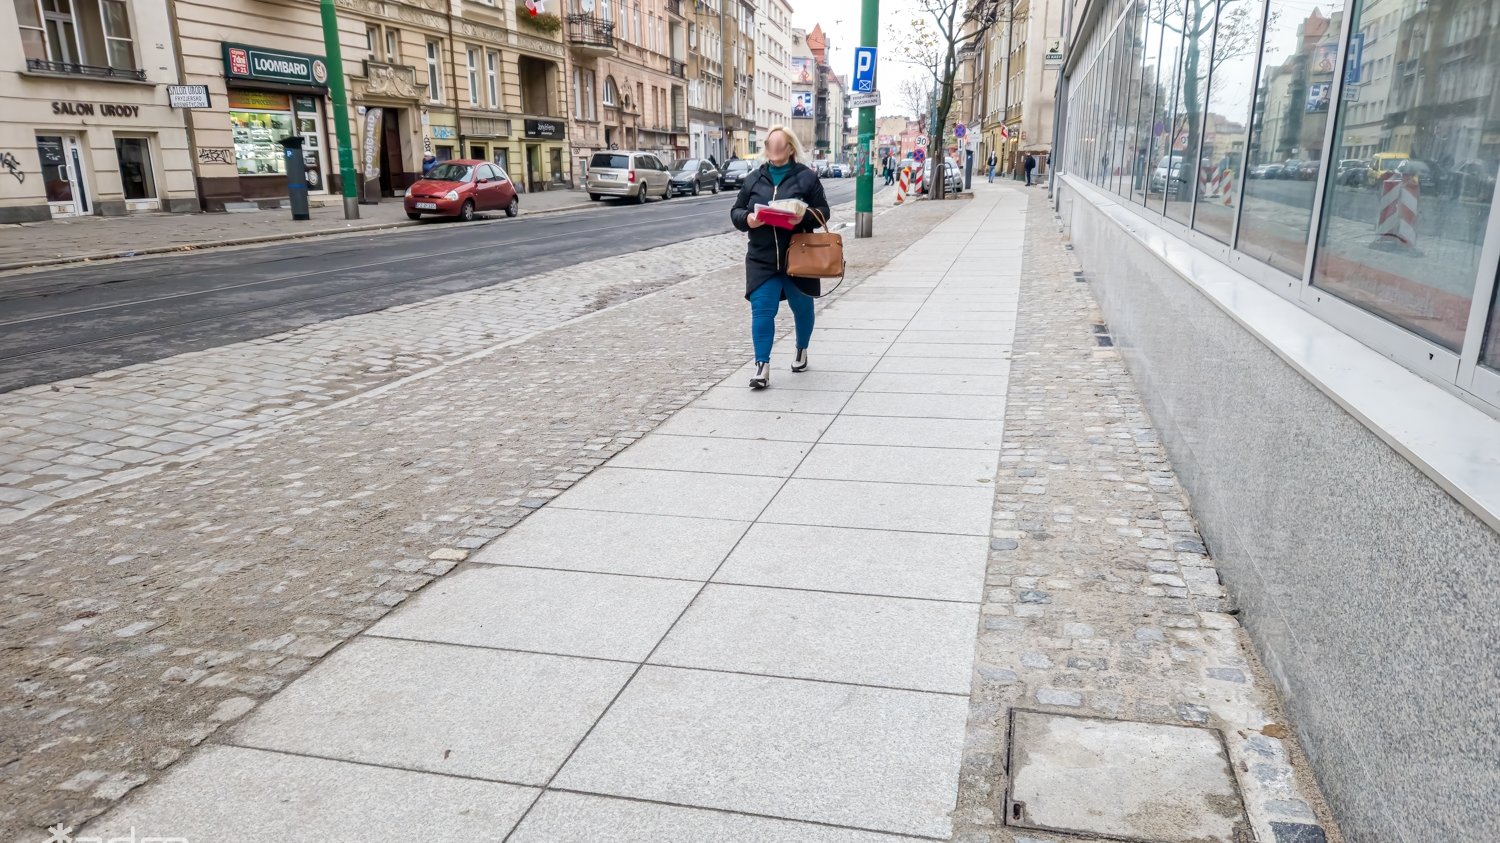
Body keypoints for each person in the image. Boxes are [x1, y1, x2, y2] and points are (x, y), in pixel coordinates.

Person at [730, 124, 831, 390]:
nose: (773, 151)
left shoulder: (806, 177)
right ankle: (761, 366)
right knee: (762, 310)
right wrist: (749, 219)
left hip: (798, 255)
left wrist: (803, 216)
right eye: (769, 146)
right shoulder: (754, 178)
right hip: (762, 258)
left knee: (802, 308)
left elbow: (824, 211)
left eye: (779, 146)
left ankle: (801, 349)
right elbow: (736, 211)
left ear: (789, 148)